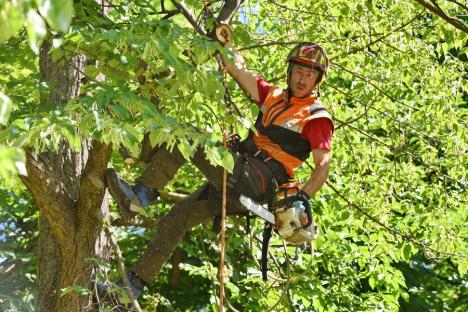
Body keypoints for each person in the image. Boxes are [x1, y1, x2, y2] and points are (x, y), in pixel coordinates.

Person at [104, 29, 334, 297]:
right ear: (290, 70)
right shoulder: (273, 96)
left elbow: (322, 167)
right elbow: (239, 70)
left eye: (310, 74)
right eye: (299, 71)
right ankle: (129, 289)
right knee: (175, 219)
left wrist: (302, 197)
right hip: (239, 183)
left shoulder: (316, 117)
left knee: (188, 137)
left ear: (317, 79)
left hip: (256, 180)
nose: (303, 78)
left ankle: (140, 195)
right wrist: (224, 41)